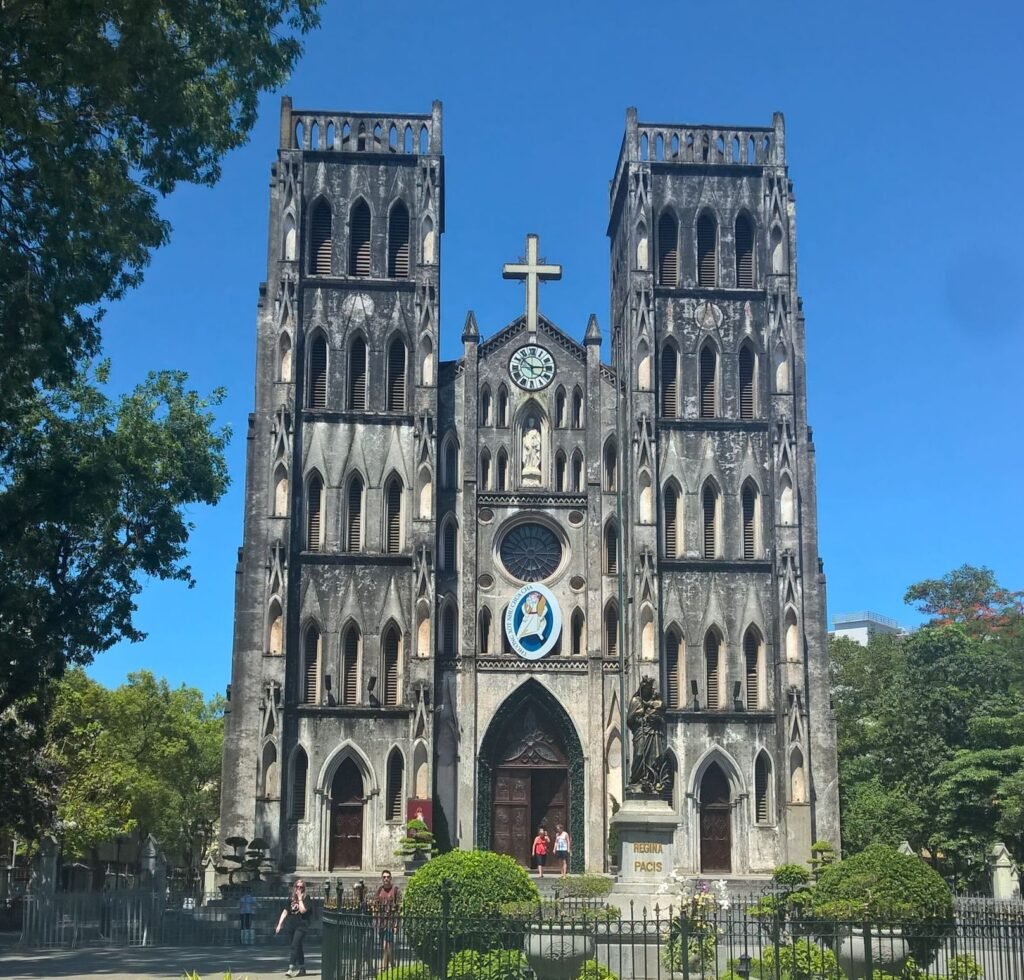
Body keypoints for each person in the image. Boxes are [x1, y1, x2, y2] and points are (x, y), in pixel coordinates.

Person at [275, 878, 311, 977]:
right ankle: (302, 968)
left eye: (301, 887)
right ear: (294, 887)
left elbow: (303, 910)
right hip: (291, 925)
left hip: (302, 925)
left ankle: (291, 968)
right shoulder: (290, 899)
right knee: (297, 947)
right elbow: (285, 911)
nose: (299, 889)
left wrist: (300, 898)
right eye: (297, 886)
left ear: (304, 888)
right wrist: (279, 924)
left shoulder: (306, 898)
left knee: (294, 945)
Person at [373, 869, 401, 972]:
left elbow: (399, 909)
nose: (386, 879)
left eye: (388, 877)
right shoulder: (379, 890)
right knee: (385, 947)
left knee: (386, 946)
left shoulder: (395, 890)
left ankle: (383, 970)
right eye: (384, 877)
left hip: (390, 922)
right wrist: (375, 918)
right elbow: (375, 905)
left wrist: (396, 924)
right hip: (381, 923)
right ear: (382, 878)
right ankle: (393, 964)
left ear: (391, 878)